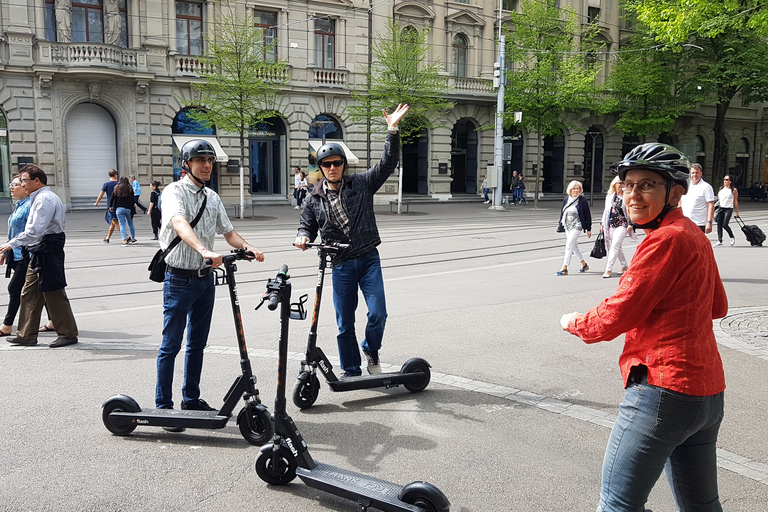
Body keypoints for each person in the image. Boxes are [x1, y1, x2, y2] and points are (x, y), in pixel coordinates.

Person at [560, 143, 727, 512]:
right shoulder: (694, 235)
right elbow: (719, 306)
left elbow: (618, 313)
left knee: (618, 504)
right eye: (628, 185)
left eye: (648, 184)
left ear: (676, 193)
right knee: (702, 505)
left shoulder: (665, 239)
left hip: (663, 390)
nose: (633, 194)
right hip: (707, 395)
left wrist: (574, 323)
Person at [294, 103, 409, 377]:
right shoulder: (313, 199)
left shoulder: (361, 184)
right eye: (326, 164)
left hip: (368, 258)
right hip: (341, 263)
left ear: (343, 165)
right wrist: (302, 236)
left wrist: (392, 130)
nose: (332, 167)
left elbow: (387, 163)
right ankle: (351, 370)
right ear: (320, 168)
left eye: (337, 163)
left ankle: (370, 348)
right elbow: (306, 226)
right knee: (344, 322)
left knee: (378, 313)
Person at [156, 139, 265, 420]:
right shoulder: (173, 192)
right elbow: (179, 223)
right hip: (179, 279)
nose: (206, 165)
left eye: (209, 161)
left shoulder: (212, 197)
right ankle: (163, 406)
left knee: (197, 344)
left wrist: (247, 247)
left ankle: (190, 399)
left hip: (206, 281)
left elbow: (228, 232)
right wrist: (204, 250)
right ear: (186, 164)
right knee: (171, 345)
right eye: (200, 160)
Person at [0, 164, 79, 348]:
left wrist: (10, 244)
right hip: (39, 250)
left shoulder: (44, 199)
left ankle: (68, 333)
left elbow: (35, 230)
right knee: (29, 292)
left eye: (24, 180)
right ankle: (26, 335)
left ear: (37, 181)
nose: (22, 184)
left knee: (54, 292)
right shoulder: (38, 198)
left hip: (46, 249)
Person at [1, 175, 32, 336]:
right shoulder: (19, 205)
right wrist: (7, 250)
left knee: (14, 287)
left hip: (27, 255)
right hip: (16, 253)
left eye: (15, 184)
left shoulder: (29, 206)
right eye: (10, 184)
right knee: (41, 290)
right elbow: (14, 232)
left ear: (25, 188)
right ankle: (54, 321)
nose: (11, 187)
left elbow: (30, 232)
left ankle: (7, 325)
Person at [600, 176, 636, 278]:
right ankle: (624, 266)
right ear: (614, 184)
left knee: (615, 246)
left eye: (623, 183)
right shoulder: (610, 196)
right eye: (619, 183)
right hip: (611, 224)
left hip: (623, 224)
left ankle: (608, 270)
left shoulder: (627, 196)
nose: (621, 185)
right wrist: (602, 223)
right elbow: (606, 211)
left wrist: (631, 224)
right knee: (618, 246)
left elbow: (631, 210)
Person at [556, 180, 591, 275]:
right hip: (568, 225)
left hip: (578, 225)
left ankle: (564, 268)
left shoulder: (582, 200)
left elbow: (587, 215)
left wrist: (588, 228)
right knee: (574, 246)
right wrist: (560, 224)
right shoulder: (566, 199)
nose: (576, 190)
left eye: (578, 188)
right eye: (574, 188)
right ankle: (584, 264)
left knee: (569, 245)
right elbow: (563, 212)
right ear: (570, 190)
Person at [680, 163, 715, 233]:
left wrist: (709, 222)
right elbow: (680, 202)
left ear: (701, 174)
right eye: (693, 173)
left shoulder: (706, 187)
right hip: (685, 222)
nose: (694, 175)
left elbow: (711, 205)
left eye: (697, 173)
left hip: (699, 223)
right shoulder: (686, 185)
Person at [94, 169, 119, 243]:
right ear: (115, 175)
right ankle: (107, 238)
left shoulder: (106, 184)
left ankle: (127, 236)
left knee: (114, 221)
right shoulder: (118, 184)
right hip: (117, 204)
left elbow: (101, 195)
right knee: (113, 222)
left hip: (110, 205)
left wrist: (96, 203)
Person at [110, 177, 137, 246]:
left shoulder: (116, 188)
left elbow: (112, 198)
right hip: (128, 209)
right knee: (130, 224)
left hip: (119, 209)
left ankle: (124, 240)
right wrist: (133, 206)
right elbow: (132, 199)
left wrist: (111, 206)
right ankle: (133, 239)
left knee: (122, 224)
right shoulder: (130, 188)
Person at [715, 174, 739, 247]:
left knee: (725, 224)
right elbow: (718, 199)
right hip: (720, 208)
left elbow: (735, 201)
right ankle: (719, 240)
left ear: (730, 181)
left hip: (728, 208)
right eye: (724, 179)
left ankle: (732, 237)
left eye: (727, 180)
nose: (725, 181)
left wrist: (737, 211)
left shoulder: (733, 190)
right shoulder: (721, 188)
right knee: (719, 224)